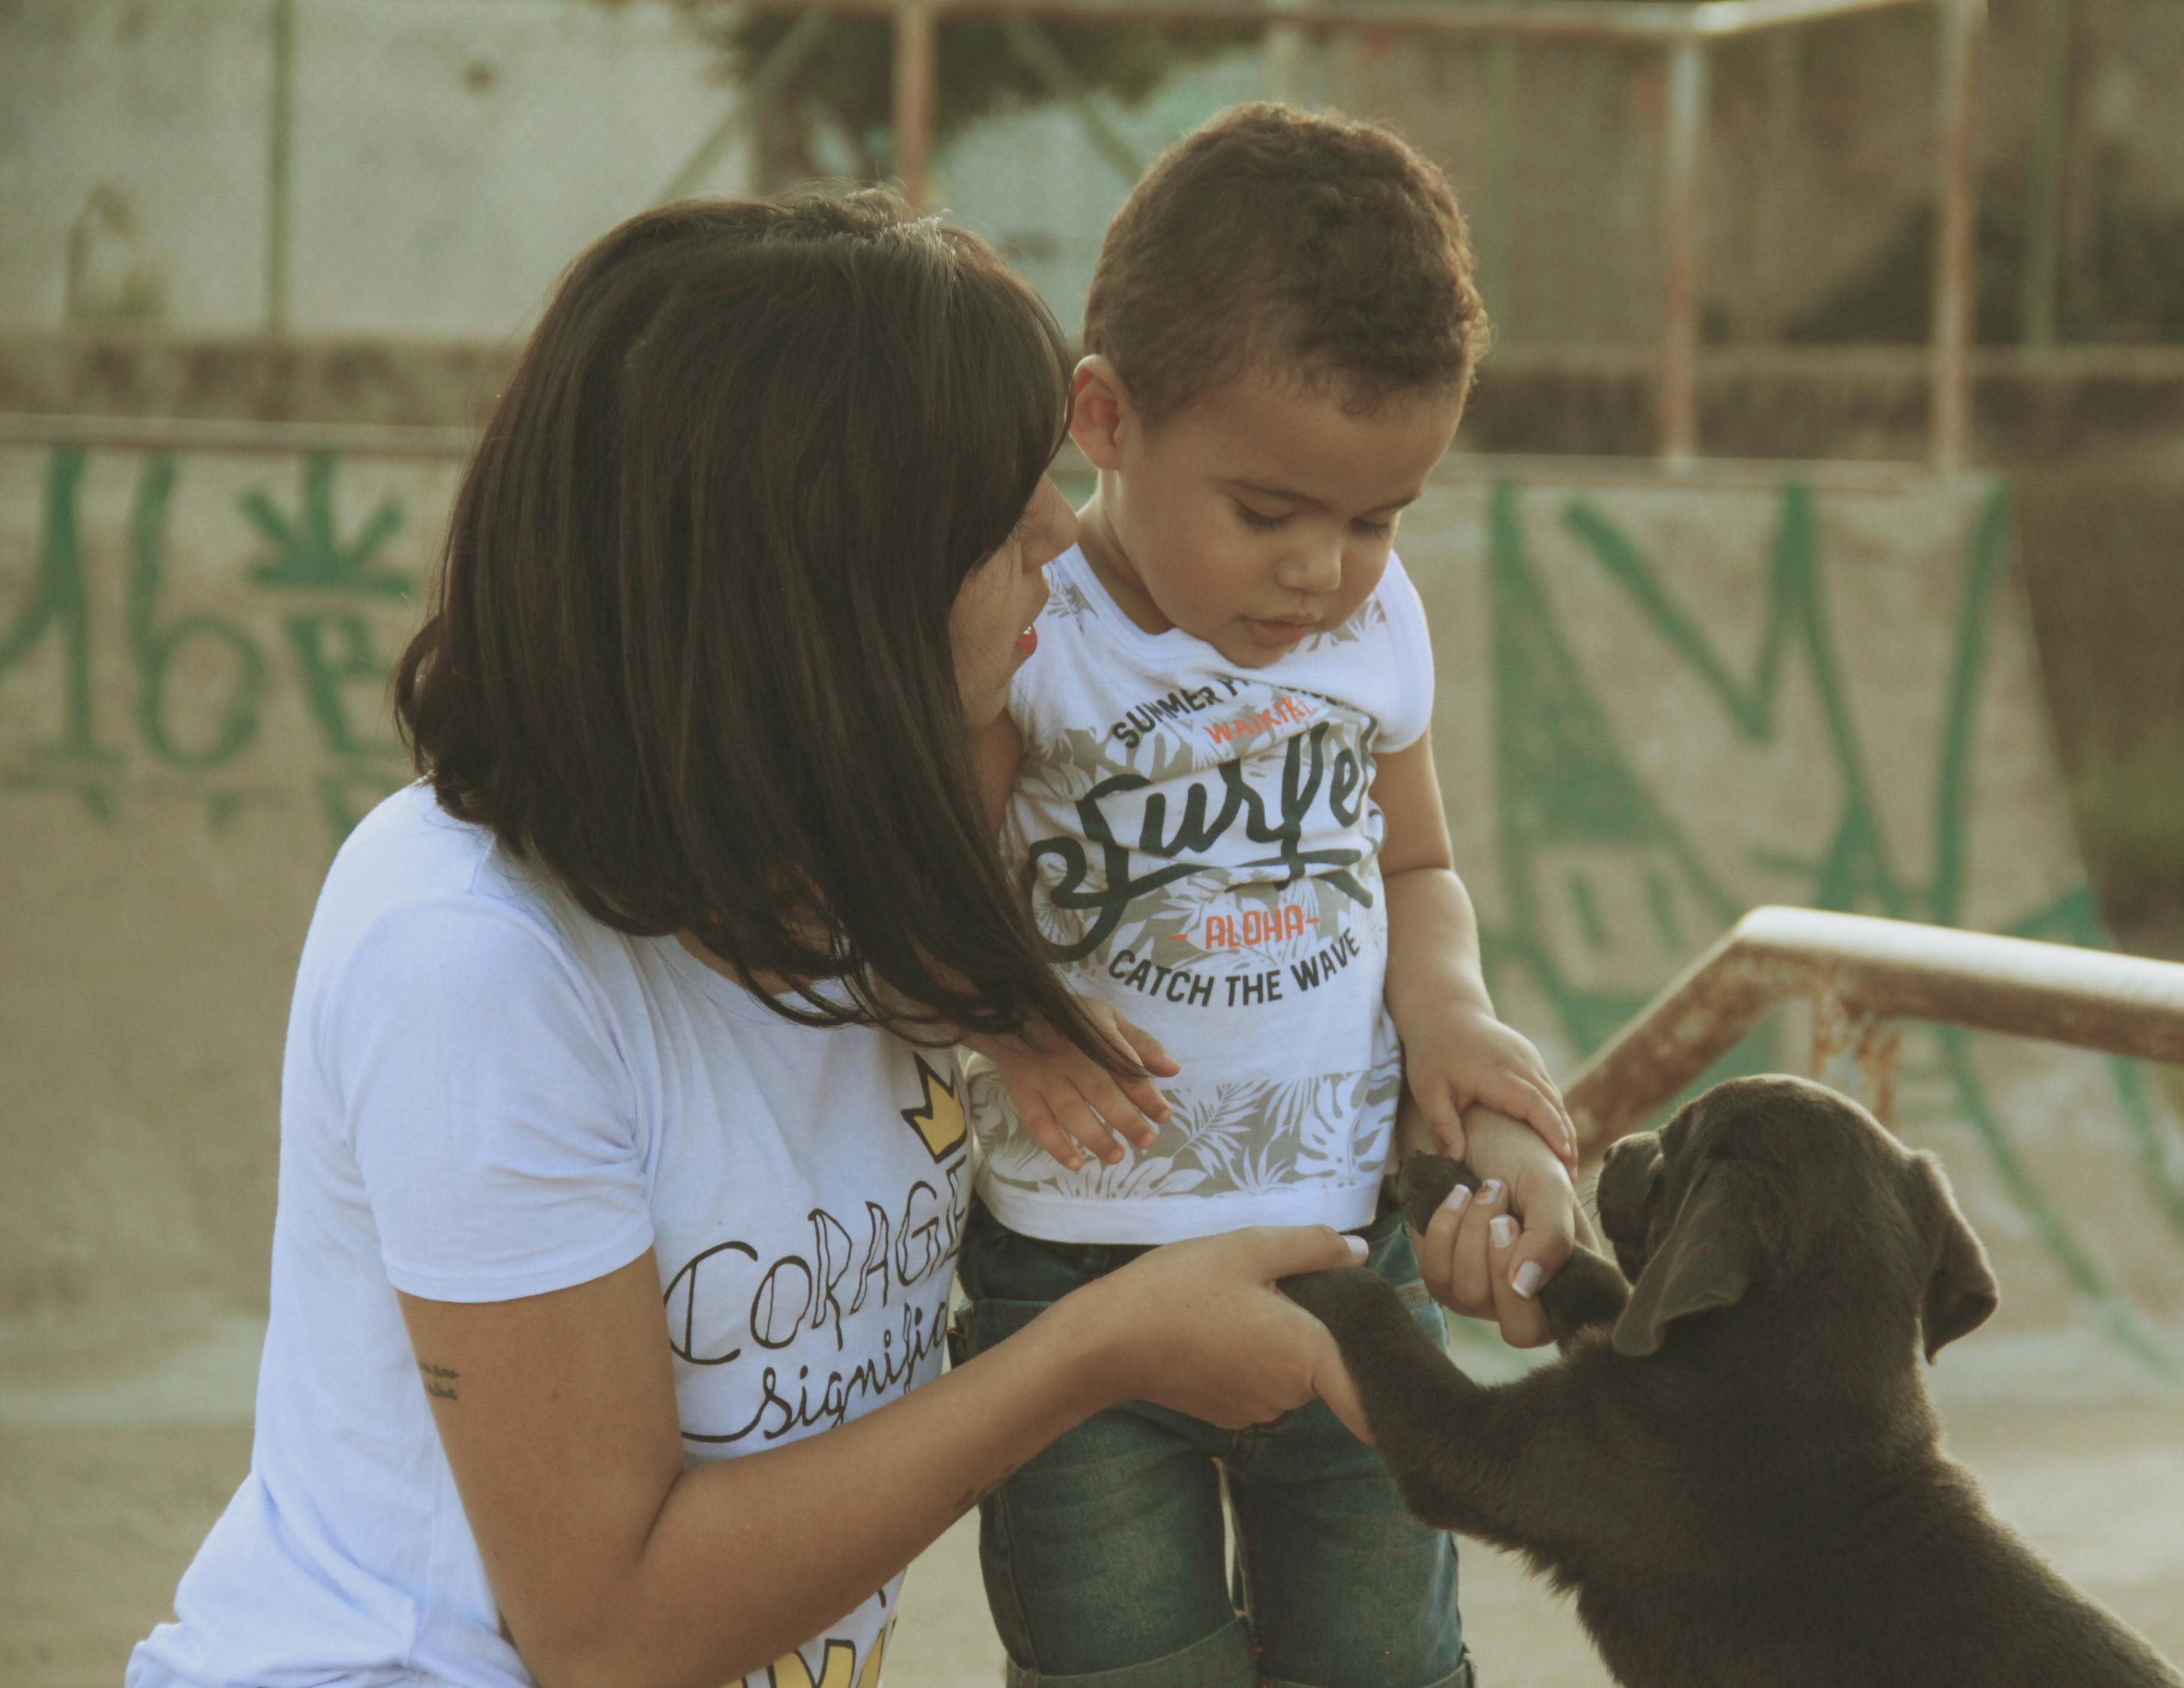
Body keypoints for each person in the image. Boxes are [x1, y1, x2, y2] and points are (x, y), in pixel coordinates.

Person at [126, 188, 1446, 1688]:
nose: (1060, 527)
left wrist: (1458, 1157)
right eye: (992, 504)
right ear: (822, 579)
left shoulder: (897, 857)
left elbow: (1292, 951)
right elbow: (609, 1634)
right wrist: (1093, 1353)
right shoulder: (474, 954)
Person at [956, 104, 1588, 1688]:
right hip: (1072, 1281)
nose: (1322, 571)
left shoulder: (1368, 638)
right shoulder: (1027, 625)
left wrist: (1448, 1015)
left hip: (1338, 1261)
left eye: (1375, 519)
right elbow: (939, 889)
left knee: (1380, 1655)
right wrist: (1007, 1014)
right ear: (1104, 417)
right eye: (1268, 512)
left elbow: (1413, 863)